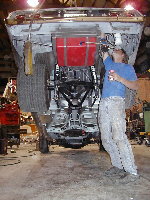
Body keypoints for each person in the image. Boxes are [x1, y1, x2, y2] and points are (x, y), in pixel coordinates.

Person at [99, 34, 139, 183]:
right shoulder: (109, 64)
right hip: (104, 103)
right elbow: (103, 51)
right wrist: (103, 38)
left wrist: (119, 79)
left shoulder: (127, 68)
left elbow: (135, 86)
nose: (115, 49)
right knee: (106, 138)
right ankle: (117, 166)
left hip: (116, 102)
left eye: (119, 49)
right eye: (114, 49)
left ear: (123, 55)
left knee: (119, 136)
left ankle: (131, 170)